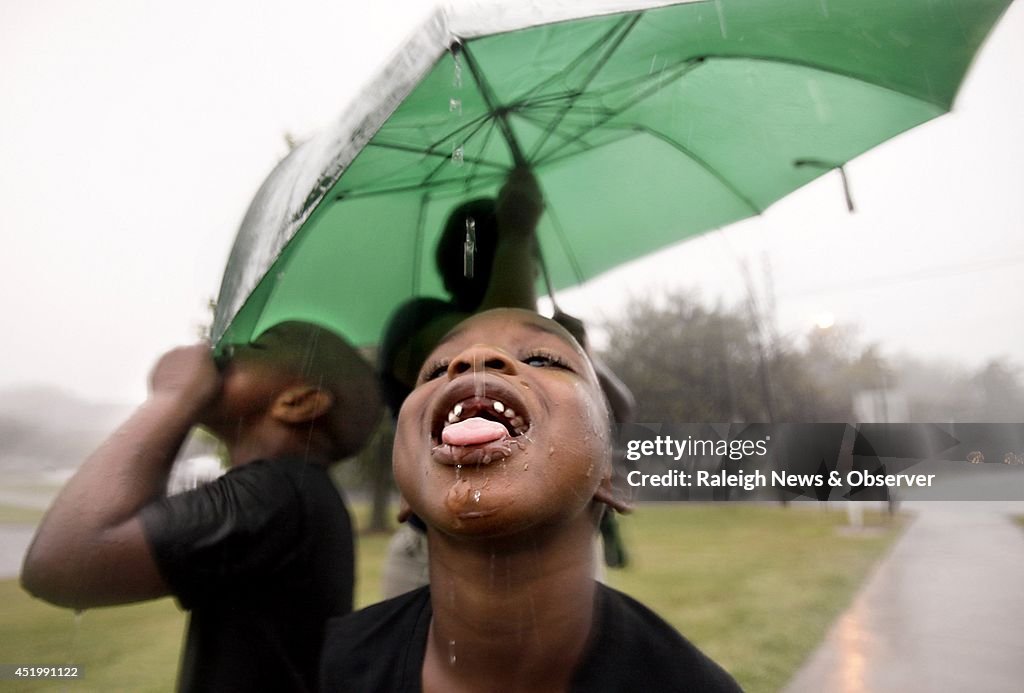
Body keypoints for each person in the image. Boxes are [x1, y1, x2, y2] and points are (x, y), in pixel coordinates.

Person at [322, 309, 741, 692]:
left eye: (543, 359)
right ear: (404, 484)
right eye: (434, 370)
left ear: (613, 478)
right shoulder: (331, 668)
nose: (475, 358)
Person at [21, 320, 382, 692]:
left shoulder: (275, 494)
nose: (222, 353)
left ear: (298, 402)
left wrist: (173, 397)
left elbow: (65, 562)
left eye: (253, 349)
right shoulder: (298, 491)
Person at [378, 169, 635, 597]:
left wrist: (579, 356)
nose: (471, 360)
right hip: (431, 557)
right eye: (441, 368)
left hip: (557, 551)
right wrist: (516, 234)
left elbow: (619, 413)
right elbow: (489, 344)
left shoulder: (549, 337)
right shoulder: (418, 322)